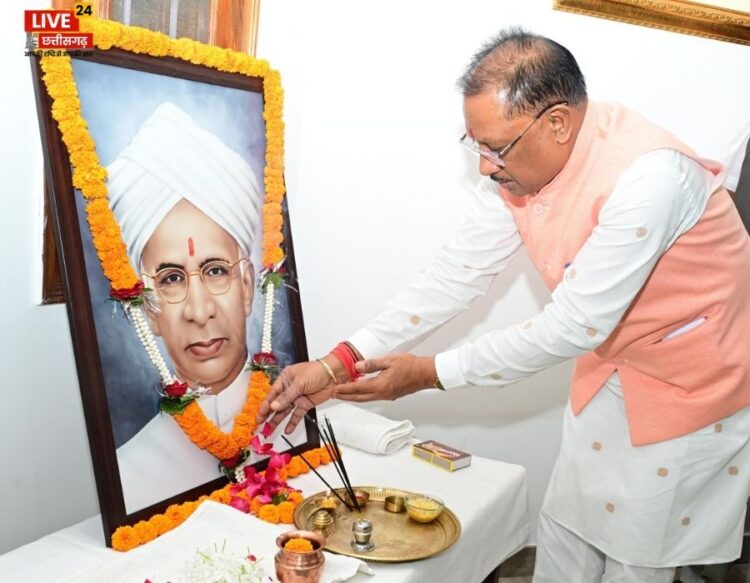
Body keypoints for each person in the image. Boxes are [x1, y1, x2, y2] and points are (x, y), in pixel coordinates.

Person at [258, 28, 750, 582]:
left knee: (637, 562)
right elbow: (455, 274)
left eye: (496, 148)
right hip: (610, 373)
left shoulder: (650, 176)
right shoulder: (518, 169)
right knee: (569, 530)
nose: (485, 167)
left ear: (557, 123)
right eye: (475, 145)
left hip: (691, 386)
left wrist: (428, 374)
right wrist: (339, 361)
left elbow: (572, 326)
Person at [106, 102, 305, 513]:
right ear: (147, 310)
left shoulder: (298, 428)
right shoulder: (129, 472)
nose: (200, 311)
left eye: (216, 271)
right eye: (171, 279)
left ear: (248, 286)